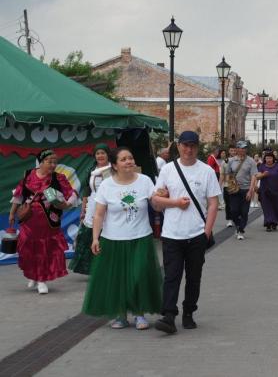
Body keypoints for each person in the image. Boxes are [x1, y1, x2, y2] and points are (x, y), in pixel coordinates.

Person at [82, 147, 163, 330]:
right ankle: (120, 314)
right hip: (113, 239)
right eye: (124, 159)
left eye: (130, 158)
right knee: (118, 278)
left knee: (139, 275)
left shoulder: (145, 181)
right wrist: (95, 238)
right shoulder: (106, 185)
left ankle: (139, 313)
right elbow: (99, 215)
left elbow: (156, 204)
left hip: (141, 237)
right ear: (114, 165)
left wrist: (164, 198)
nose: (129, 162)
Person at [151, 131, 221, 334]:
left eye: (192, 146)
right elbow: (156, 201)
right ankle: (169, 315)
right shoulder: (168, 170)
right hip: (172, 233)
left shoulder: (206, 171)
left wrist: (207, 232)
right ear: (178, 146)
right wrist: (174, 202)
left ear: (197, 148)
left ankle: (189, 311)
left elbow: (213, 203)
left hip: (196, 234)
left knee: (193, 277)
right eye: (185, 145)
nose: (188, 150)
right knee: (171, 276)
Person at [8, 149, 77, 294]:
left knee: (44, 249)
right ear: (41, 162)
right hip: (29, 218)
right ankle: (34, 275)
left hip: (49, 220)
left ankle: (41, 279)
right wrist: (12, 213)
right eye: (49, 161)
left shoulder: (59, 178)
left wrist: (67, 204)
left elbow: (71, 194)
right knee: (28, 247)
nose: (53, 165)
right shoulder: (28, 175)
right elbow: (18, 195)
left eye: (55, 162)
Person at [69, 143, 111, 275]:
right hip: (93, 204)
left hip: (110, 205)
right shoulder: (92, 170)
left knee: (107, 235)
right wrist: (83, 209)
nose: (100, 155)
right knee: (89, 236)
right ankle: (92, 268)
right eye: (98, 153)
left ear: (108, 154)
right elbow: (87, 190)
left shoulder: (114, 169)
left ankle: (107, 267)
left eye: (103, 153)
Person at [226, 141, 258, 240]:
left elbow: (254, 176)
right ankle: (238, 225)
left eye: (245, 148)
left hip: (246, 189)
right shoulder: (231, 160)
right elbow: (228, 174)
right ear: (237, 149)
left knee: (244, 212)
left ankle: (240, 230)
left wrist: (250, 190)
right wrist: (229, 184)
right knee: (233, 211)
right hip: (234, 190)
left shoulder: (251, 161)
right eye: (241, 148)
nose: (243, 150)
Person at [255, 151, 278, 232]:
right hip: (265, 190)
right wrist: (263, 175)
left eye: (270, 158)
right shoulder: (262, 166)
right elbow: (257, 176)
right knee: (267, 207)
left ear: (273, 159)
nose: (269, 160)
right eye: (267, 158)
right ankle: (268, 224)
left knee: (276, 206)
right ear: (265, 159)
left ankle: (274, 223)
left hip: (276, 190)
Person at [221, 146, 237, 228]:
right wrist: (219, 185)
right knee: (228, 204)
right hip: (227, 185)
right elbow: (222, 174)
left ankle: (236, 217)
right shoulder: (224, 162)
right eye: (231, 150)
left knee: (236, 203)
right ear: (229, 151)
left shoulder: (239, 161)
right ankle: (230, 219)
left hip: (237, 185)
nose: (233, 152)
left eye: (234, 150)